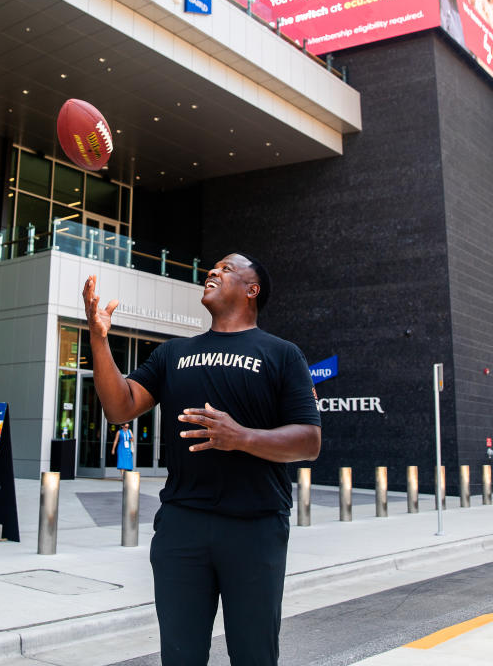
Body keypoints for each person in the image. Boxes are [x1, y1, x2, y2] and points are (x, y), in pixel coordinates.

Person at [82, 253, 321, 665]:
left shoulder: (282, 354)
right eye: (213, 267)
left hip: (255, 527)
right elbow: (120, 408)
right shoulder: (173, 353)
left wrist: (241, 437)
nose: (213, 271)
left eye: (227, 269)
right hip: (182, 526)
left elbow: (309, 441)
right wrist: (99, 339)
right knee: (180, 656)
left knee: (254, 655)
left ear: (252, 289)